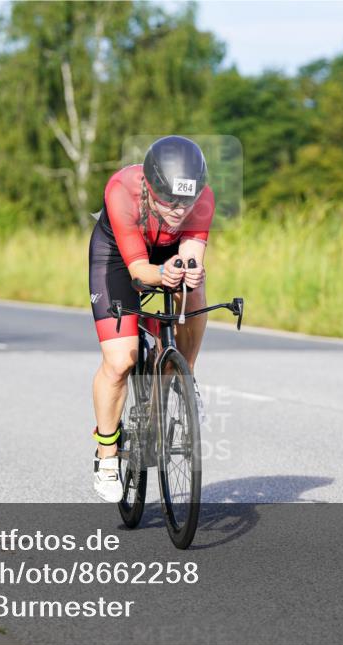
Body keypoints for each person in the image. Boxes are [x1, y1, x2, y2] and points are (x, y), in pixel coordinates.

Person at [87, 135, 213, 502]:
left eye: (187, 201)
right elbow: (140, 272)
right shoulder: (121, 191)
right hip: (118, 257)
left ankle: (185, 376)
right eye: (169, 200)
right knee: (121, 358)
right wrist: (161, 273)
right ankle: (107, 455)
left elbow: (191, 249)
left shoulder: (201, 198)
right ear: (150, 186)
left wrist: (188, 269)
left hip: (166, 251)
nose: (179, 209)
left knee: (194, 284)